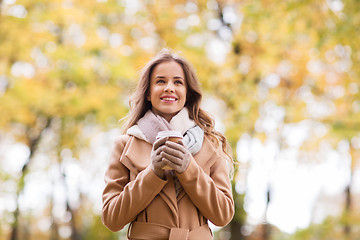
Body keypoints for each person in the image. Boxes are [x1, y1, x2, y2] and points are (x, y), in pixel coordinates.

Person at [102, 49, 234, 240]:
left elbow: (223, 215)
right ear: (148, 93)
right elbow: (112, 219)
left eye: (178, 82)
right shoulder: (124, 146)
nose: (169, 88)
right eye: (160, 81)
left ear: (187, 93)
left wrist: (188, 168)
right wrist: (152, 173)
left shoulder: (211, 145)